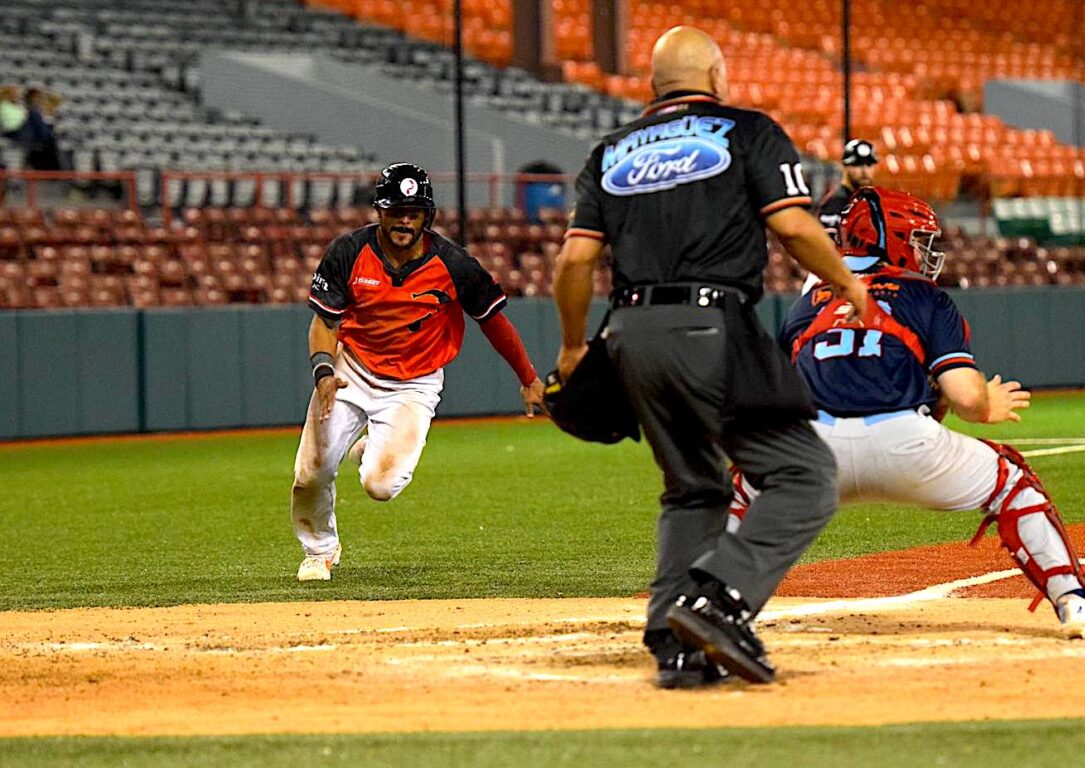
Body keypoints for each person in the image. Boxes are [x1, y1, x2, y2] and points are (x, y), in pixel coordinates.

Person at [552, 25, 869, 688]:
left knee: (693, 488)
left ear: (653, 86)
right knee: (805, 476)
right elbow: (791, 225)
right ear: (717, 77)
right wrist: (844, 280)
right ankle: (720, 601)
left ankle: (676, 642)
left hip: (629, 334)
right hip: (711, 326)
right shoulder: (747, 130)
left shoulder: (611, 151)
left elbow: (576, 260)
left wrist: (574, 345)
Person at [728, 186, 1085, 639]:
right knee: (1014, 484)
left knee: (740, 488)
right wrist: (983, 405)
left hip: (814, 455)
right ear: (890, 240)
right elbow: (966, 397)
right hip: (904, 443)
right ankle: (1076, 603)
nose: (925, 252)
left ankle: (715, 607)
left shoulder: (805, 304)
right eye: (916, 240)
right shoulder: (924, 295)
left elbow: (777, 401)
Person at [292, 162, 546, 581]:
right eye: (395, 210)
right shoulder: (349, 252)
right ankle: (319, 550)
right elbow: (324, 323)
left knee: (381, 486)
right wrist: (323, 374)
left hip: (414, 383)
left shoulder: (453, 263)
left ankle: (372, 444)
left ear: (427, 216)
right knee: (310, 472)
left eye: (413, 211)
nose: (403, 220)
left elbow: (494, 321)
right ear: (380, 212)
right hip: (351, 368)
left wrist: (528, 378)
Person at [816, 138, 878, 244]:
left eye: (869, 165)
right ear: (845, 166)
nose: (864, 171)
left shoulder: (873, 201)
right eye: (857, 164)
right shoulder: (834, 203)